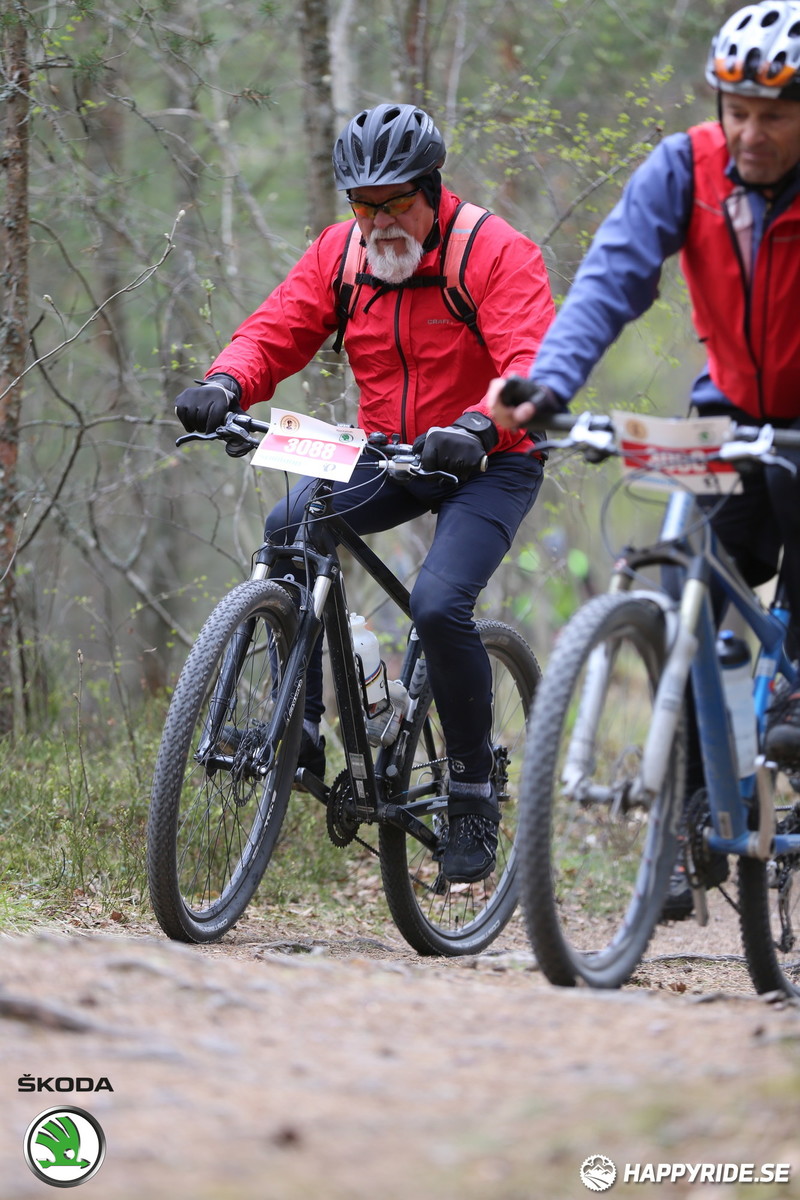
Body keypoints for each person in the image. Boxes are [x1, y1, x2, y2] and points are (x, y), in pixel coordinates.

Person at [174, 103, 555, 884]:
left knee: (440, 605)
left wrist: (483, 426)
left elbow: (532, 361)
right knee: (289, 528)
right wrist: (225, 380)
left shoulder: (494, 252)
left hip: (494, 457)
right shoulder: (343, 255)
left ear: (433, 190)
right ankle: (301, 725)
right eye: (362, 203)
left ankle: (473, 789)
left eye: (395, 202)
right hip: (389, 451)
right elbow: (277, 328)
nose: (378, 220)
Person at [489, 0, 800, 916]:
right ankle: (689, 818)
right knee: (680, 602)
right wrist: (548, 386)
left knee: (793, 703)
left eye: (775, 113)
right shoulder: (688, 168)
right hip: (730, 416)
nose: (749, 131)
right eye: (734, 109)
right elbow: (613, 274)